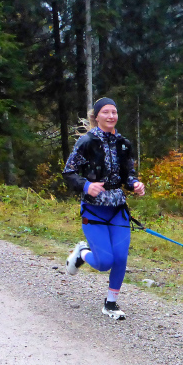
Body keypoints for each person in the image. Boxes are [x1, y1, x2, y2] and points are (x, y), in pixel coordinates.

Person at [62, 97, 145, 320]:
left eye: (114, 112)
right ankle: (82, 253)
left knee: (120, 258)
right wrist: (86, 186)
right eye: (106, 112)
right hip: (93, 211)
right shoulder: (86, 142)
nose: (111, 116)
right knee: (104, 262)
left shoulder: (124, 144)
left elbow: (128, 175)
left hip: (118, 210)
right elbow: (69, 172)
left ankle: (111, 303)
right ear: (96, 116)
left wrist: (135, 184)